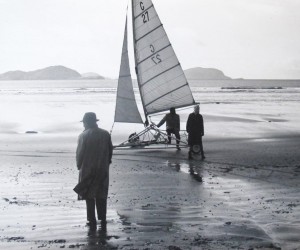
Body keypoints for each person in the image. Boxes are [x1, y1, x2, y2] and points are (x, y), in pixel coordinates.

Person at [74, 112, 113, 231]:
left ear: (86, 122)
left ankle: (91, 219)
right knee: (101, 194)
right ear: (95, 121)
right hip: (102, 168)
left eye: (84, 123)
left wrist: (78, 165)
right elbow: (110, 150)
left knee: (89, 195)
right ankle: (103, 218)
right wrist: (107, 162)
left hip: (87, 169)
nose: (83, 125)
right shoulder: (105, 134)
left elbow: (79, 153)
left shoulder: (83, 135)